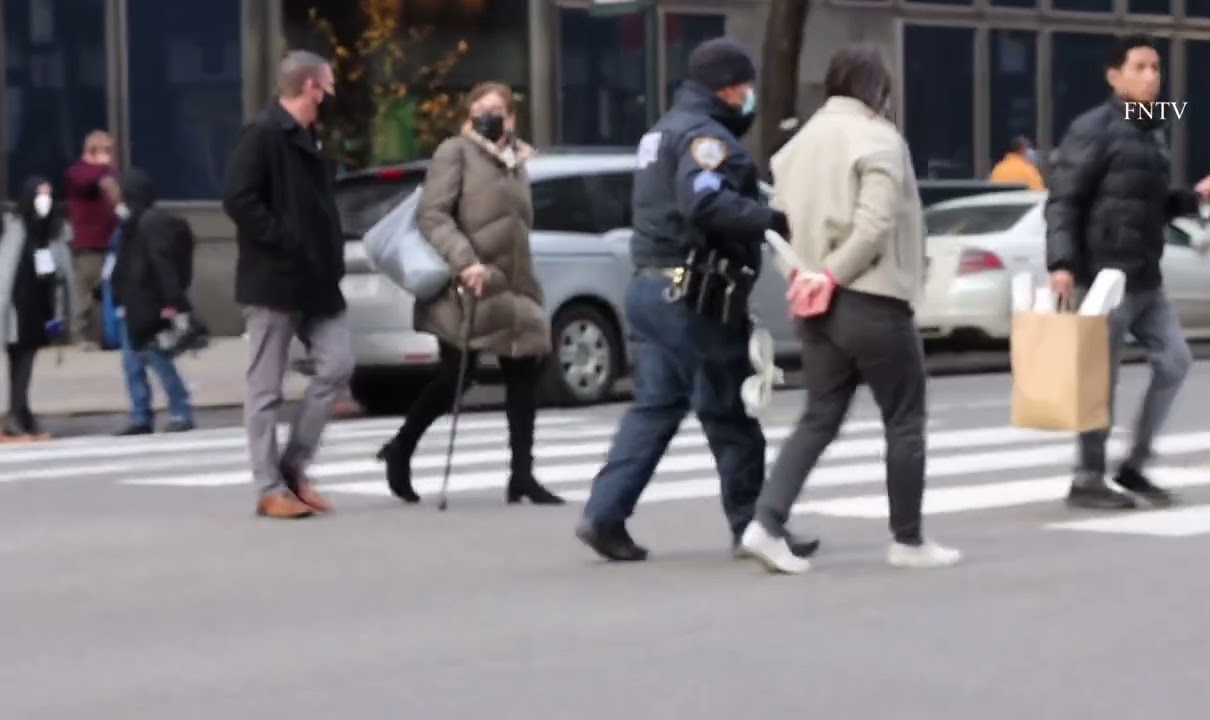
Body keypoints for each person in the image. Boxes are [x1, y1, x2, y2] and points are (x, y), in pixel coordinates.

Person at [574, 37, 817, 563]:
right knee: (730, 416)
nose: (750, 96)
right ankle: (755, 526)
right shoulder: (705, 138)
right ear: (728, 88)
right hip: (693, 297)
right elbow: (705, 202)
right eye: (746, 87)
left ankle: (604, 514)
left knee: (655, 408)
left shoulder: (662, 131)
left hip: (651, 287)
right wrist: (773, 220)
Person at [736, 46, 961, 575]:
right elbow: (874, 225)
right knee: (904, 419)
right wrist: (834, 274)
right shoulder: (879, 139)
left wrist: (805, 278)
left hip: (814, 304)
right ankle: (908, 540)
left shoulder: (793, 149)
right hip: (873, 297)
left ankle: (765, 522)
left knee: (819, 416)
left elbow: (779, 230)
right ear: (877, 89)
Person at [1045, 33, 1210, 510]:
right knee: (1099, 381)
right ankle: (1087, 478)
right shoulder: (1093, 127)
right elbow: (1064, 200)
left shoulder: (1152, 128)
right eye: (1140, 67)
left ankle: (1134, 465)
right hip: (1104, 277)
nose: (1152, 77)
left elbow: (1154, 203)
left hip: (1147, 277)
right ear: (1114, 76)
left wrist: (1195, 197)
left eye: (1156, 68)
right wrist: (1062, 264)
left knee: (1176, 361)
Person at [374, 82, 563, 507]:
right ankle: (401, 448)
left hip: (512, 283)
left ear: (511, 118)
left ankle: (522, 475)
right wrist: (465, 261)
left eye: (496, 111)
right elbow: (433, 214)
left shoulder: (517, 162)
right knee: (454, 377)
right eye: (479, 112)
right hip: (467, 282)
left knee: (524, 373)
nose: (487, 120)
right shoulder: (455, 152)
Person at [223, 50, 355, 520]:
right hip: (274, 280)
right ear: (311, 87)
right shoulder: (263, 134)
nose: (332, 96)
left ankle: (293, 467)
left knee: (338, 364)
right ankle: (269, 486)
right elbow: (238, 198)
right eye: (328, 87)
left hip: (318, 280)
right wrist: (285, 239)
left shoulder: (308, 136)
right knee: (266, 387)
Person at [110, 168, 197, 436]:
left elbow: (163, 264)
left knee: (158, 359)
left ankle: (180, 411)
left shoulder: (149, 224)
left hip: (150, 304)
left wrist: (172, 302)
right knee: (132, 364)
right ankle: (141, 415)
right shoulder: (131, 225)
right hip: (133, 303)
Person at [0, 177, 65, 440]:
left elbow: (52, 273)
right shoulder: (13, 226)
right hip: (16, 306)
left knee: (25, 361)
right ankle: (17, 415)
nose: (45, 200)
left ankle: (21, 412)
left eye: (49, 195)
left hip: (39, 306)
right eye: (40, 194)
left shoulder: (49, 230)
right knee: (20, 359)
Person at [65, 131, 124, 349]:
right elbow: (85, 182)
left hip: (112, 241)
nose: (110, 154)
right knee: (87, 291)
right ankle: (81, 335)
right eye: (105, 149)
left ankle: (109, 334)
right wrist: (101, 170)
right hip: (89, 243)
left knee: (109, 291)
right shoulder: (78, 172)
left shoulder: (109, 173)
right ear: (92, 150)